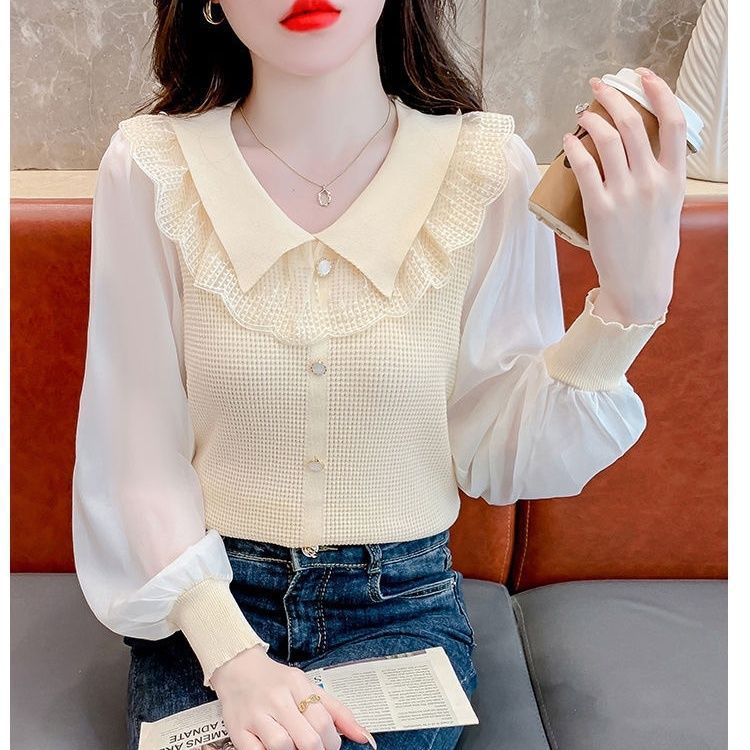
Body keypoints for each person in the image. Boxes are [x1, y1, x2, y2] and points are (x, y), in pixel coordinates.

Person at [72, 1, 688, 749]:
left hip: (399, 610)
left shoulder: (483, 170)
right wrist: (233, 657)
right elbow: (133, 450)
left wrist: (629, 306)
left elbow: (498, 448)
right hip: (206, 617)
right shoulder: (151, 167)